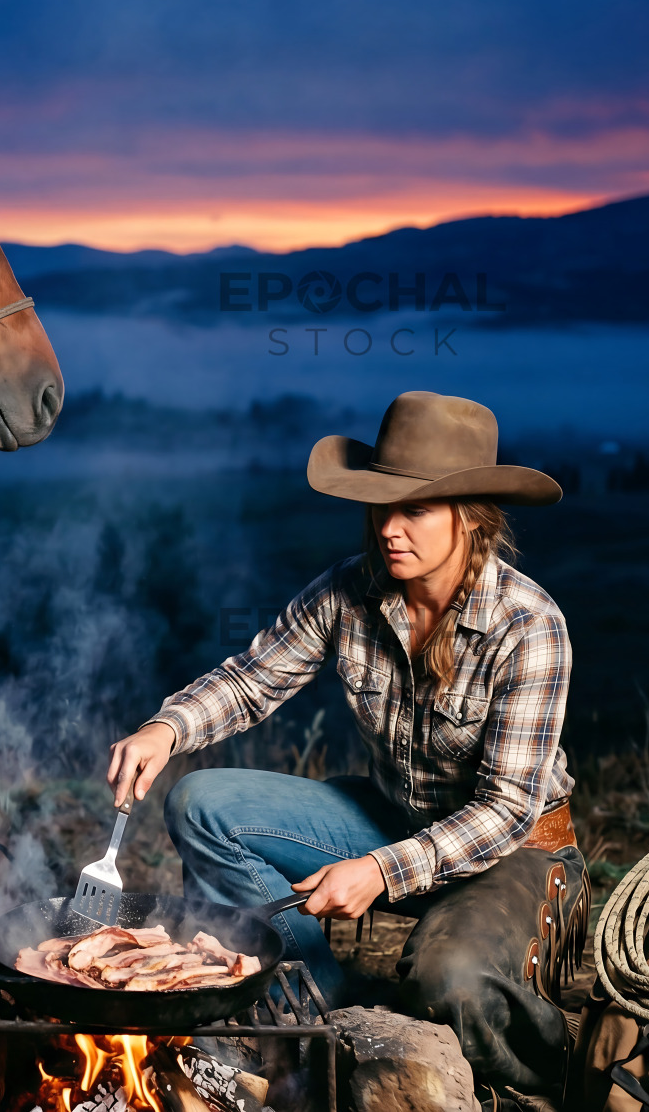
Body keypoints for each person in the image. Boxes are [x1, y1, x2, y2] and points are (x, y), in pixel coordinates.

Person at [106, 391, 585, 1108]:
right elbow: (251, 682)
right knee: (200, 802)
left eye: (414, 510)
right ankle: (316, 1008)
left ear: (472, 516)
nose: (389, 530)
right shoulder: (351, 589)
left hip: (517, 850)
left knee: (447, 980)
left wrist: (380, 871)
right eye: (378, 506)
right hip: (393, 819)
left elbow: (508, 809)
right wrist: (165, 728)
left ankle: (564, 1078)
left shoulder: (530, 625)